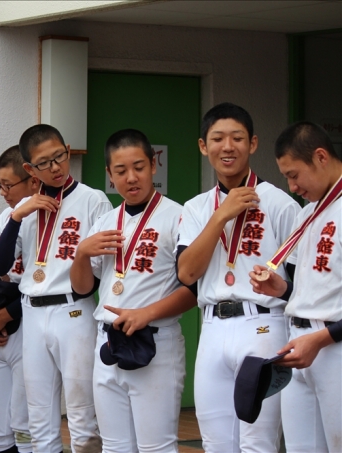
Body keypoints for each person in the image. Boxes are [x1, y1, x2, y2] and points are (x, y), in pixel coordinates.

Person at [176, 103, 301, 452]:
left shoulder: (280, 203)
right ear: (203, 146)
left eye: (237, 138)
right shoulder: (197, 207)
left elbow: (299, 284)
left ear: (253, 143)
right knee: (215, 443)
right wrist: (221, 216)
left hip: (263, 324)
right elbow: (187, 273)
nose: (227, 147)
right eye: (218, 138)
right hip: (213, 326)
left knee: (257, 443)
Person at [70, 129, 197, 453]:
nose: (131, 177)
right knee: (114, 447)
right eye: (121, 170)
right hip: (108, 340)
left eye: (139, 167)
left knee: (156, 447)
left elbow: (194, 288)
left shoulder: (179, 216)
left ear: (153, 165)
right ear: (109, 175)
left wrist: (146, 314)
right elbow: (82, 287)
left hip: (155, 339)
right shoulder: (105, 221)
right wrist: (82, 253)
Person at [0, 124, 111, 453]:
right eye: (44, 163)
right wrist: (17, 217)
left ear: (68, 150)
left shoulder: (93, 200)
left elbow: (99, 273)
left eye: (59, 156)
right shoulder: (23, 209)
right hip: (32, 311)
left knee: (81, 413)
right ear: (29, 169)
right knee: (39, 414)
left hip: (73, 309)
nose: (55, 167)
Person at [249, 121, 342, 453]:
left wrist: (320, 339)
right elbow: (314, 291)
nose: (292, 186)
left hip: (332, 343)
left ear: (320, 157)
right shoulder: (308, 213)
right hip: (299, 342)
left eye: (294, 175)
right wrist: (282, 290)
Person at [0, 145, 37, 453]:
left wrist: (5, 314)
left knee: (24, 427)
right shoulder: (5, 215)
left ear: (32, 180)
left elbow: (42, 283)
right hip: (1, 325)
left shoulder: (44, 216)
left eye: (8, 185)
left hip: (29, 322)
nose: (2, 192)